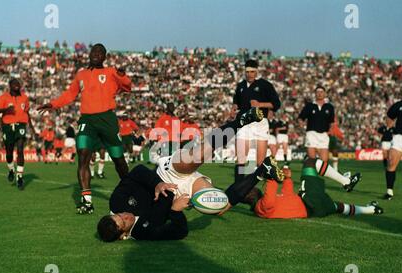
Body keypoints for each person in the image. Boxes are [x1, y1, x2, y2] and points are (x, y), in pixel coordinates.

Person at [97, 108, 284, 241]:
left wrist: (157, 184)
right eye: (124, 221)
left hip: (166, 174)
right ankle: (262, 171)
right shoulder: (142, 233)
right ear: (123, 235)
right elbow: (179, 233)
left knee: (195, 157)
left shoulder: (116, 202)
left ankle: (241, 120)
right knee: (220, 207)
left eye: (119, 215)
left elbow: (137, 171)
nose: (126, 215)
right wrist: (175, 212)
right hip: (180, 193)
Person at [38, 43, 132, 214]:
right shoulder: (81, 75)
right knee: (82, 156)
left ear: (104, 57)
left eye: (100, 52)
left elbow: (127, 87)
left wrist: (122, 74)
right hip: (87, 120)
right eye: (93, 51)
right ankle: (87, 202)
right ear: (89, 54)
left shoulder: (111, 72)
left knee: (119, 161)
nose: (96, 54)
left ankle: (131, 192)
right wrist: (53, 104)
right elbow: (69, 95)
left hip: (107, 119)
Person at [245, 158, 383, 219]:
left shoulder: (262, 205)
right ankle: (346, 182)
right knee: (310, 162)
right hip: (308, 201)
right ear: (250, 197)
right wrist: (271, 178)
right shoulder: (260, 207)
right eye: (248, 189)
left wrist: (287, 178)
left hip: (314, 209)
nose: (251, 187)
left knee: (337, 207)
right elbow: (268, 202)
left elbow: (287, 195)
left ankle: (371, 209)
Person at [232, 59, 281, 182]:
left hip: (260, 123)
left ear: (257, 71)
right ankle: (238, 189)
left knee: (260, 161)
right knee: (241, 158)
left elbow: (276, 104)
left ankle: (262, 189)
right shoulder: (241, 86)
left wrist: (260, 104)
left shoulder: (265, 85)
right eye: (247, 71)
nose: (250, 74)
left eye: (252, 71)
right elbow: (236, 102)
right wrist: (234, 107)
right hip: (244, 122)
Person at [0, 78, 34, 190]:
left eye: (18, 83)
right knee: (9, 151)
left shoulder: (24, 97)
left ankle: (19, 176)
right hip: (7, 126)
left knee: (20, 149)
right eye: (14, 83)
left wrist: (32, 127)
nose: (17, 85)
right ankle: (11, 169)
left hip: (21, 125)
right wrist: (5, 110)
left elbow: (27, 112)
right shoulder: (3, 97)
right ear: (10, 85)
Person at [298, 86, 334, 162]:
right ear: (315, 94)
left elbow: (332, 121)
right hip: (312, 134)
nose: (319, 94)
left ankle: (307, 159)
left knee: (324, 162)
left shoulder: (330, 107)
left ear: (325, 94)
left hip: (324, 135)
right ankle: (309, 161)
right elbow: (301, 118)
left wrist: (331, 130)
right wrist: (302, 125)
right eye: (317, 92)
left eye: (321, 92)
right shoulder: (309, 106)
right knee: (312, 160)